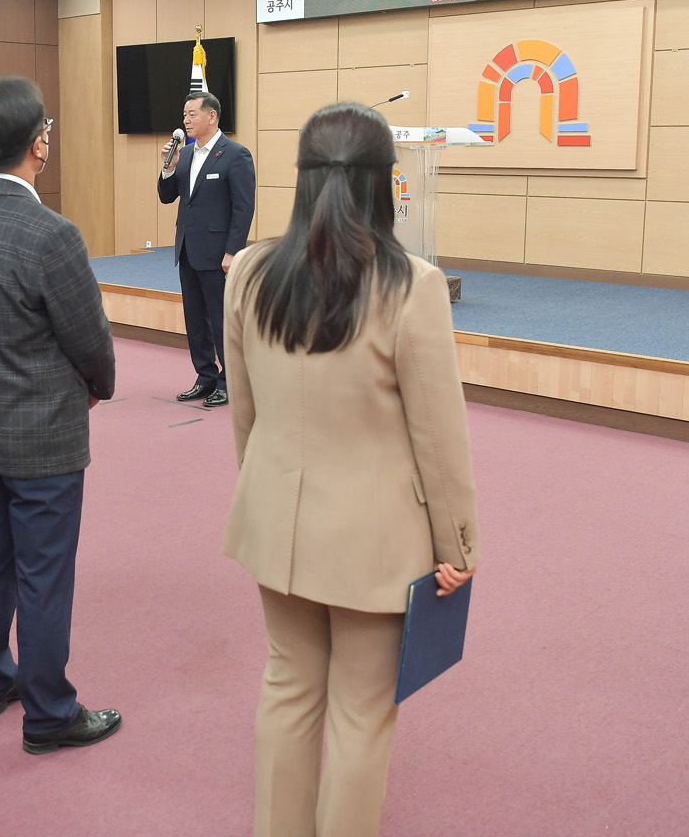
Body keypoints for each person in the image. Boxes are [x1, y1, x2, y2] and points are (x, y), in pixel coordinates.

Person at [220, 102, 480, 837]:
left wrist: (266, 498)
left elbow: (245, 415)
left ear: (302, 179)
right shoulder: (411, 285)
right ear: (385, 183)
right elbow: (439, 439)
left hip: (277, 520)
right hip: (375, 542)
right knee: (362, 715)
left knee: (287, 690)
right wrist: (458, 546)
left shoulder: (249, 274)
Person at [0, 75, 121, 754]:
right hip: (45, 434)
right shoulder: (51, 234)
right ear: (39, 144)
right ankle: (48, 712)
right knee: (44, 574)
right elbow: (90, 338)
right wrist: (99, 386)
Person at [158, 89, 255, 409]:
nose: (186, 120)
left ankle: (230, 381)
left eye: (192, 114)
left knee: (221, 320)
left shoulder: (235, 154)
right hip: (187, 249)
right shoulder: (184, 153)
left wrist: (233, 251)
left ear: (212, 116)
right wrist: (168, 168)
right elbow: (167, 196)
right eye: (184, 115)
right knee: (195, 320)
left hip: (218, 253)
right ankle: (205, 376)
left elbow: (243, 208)